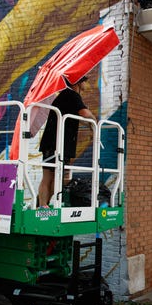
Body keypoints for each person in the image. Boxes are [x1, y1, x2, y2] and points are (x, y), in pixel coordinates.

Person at [38, 77, 95, 207]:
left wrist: (90, 126)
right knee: (52, 178)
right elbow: (85, 114)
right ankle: (42, 205)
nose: (86, 83)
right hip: (57, 144)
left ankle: (42, 204)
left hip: (55, 143)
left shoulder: (65, 95)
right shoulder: (72, 95)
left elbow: (77, 117)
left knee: (52, 178)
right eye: (84, 80)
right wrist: (94, 121)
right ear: (77, 83)